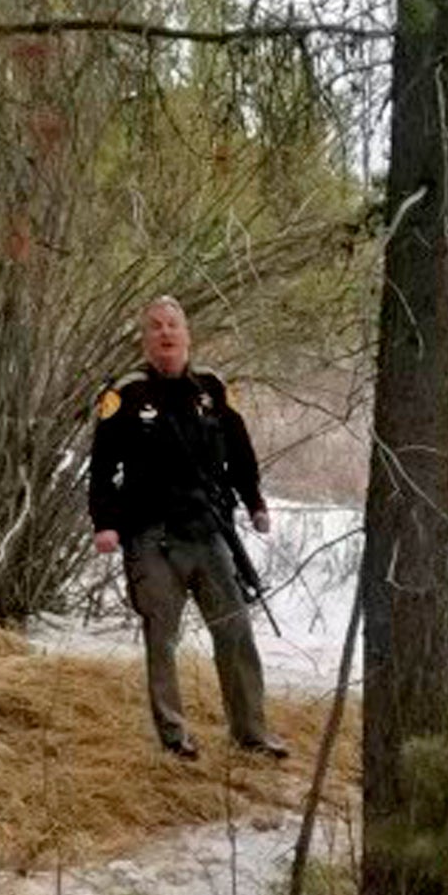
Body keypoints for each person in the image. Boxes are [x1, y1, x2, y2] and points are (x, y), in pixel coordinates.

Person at [89, 297, 287, 761]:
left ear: (187, 334)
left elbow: (241, 453)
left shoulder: (212, 389)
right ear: (145, 338)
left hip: (209, 530)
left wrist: (255, 502)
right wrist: (106, 524)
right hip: (151, 535)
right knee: (163, 636)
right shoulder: (126, 394)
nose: (165, 333)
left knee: (235, 629)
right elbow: (101, 468)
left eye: (173, 325)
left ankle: (251, 732)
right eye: (155, 327)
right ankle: (175, 738)